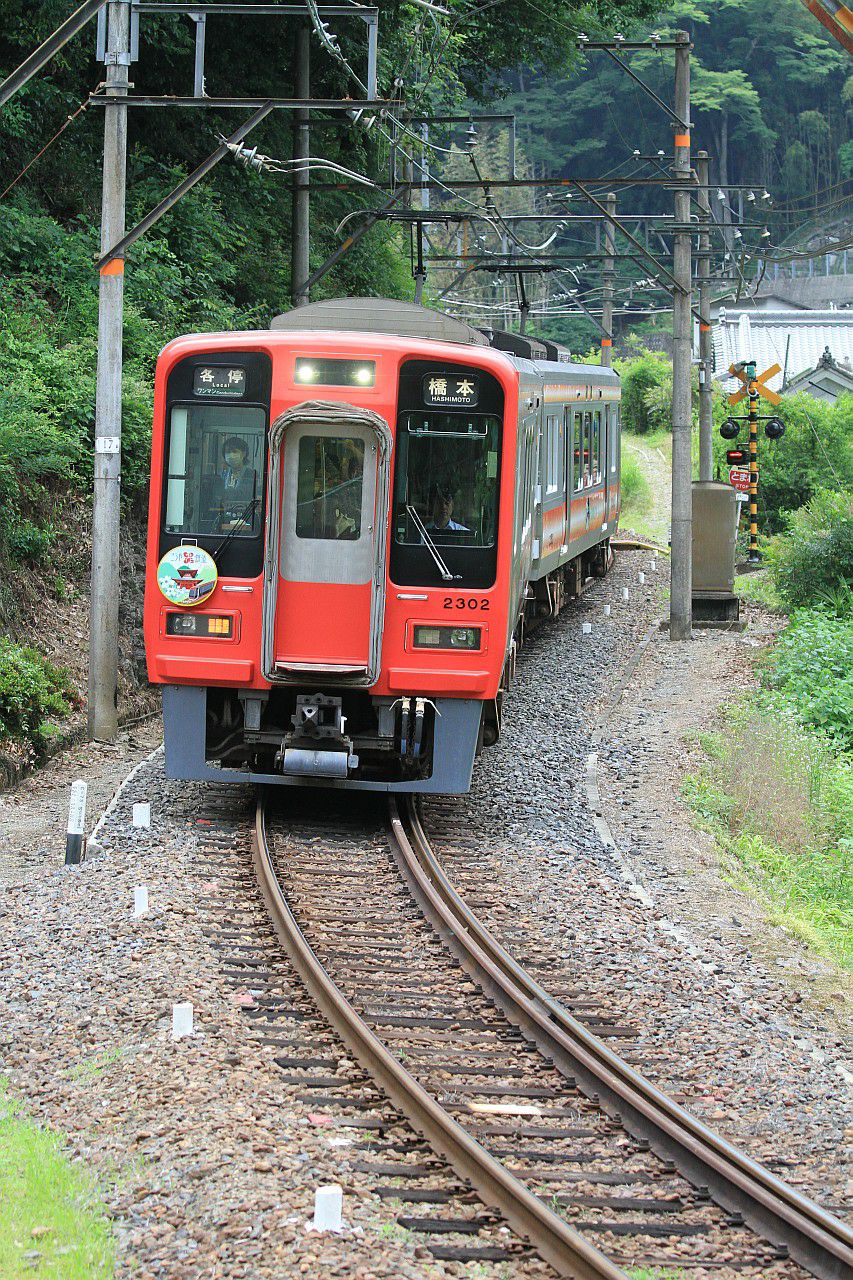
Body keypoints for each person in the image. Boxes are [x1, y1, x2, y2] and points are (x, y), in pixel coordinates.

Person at [210, 437, 258, 533]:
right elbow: (217, 496)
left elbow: (245, 495)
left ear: (244, 453)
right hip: (224, 519)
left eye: (234, 451)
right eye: (228, 452)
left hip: (245, 519)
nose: (231, 455)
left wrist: (227, 494)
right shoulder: (222, 475)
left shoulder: (251, 474)